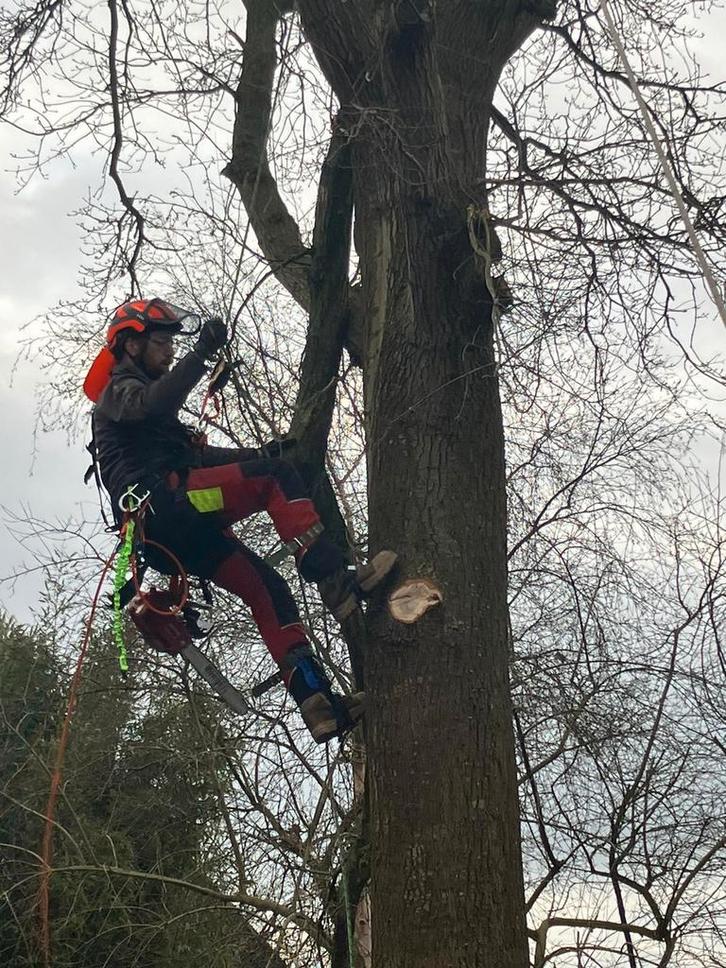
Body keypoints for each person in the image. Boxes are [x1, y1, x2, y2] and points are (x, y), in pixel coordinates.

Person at [83, 298, 396, 742]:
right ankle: (334, 578)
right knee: (275, 480)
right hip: (167, 505)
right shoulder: (118, 391)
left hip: (184, 531)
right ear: (131, 346)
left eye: (174, 346)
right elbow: (154, 407)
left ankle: (318, 704)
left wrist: (257, 457)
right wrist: (199, 355)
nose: (169, 352)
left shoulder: (155, 417)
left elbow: (199, 457)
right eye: (160, 342)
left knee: (268, 588)